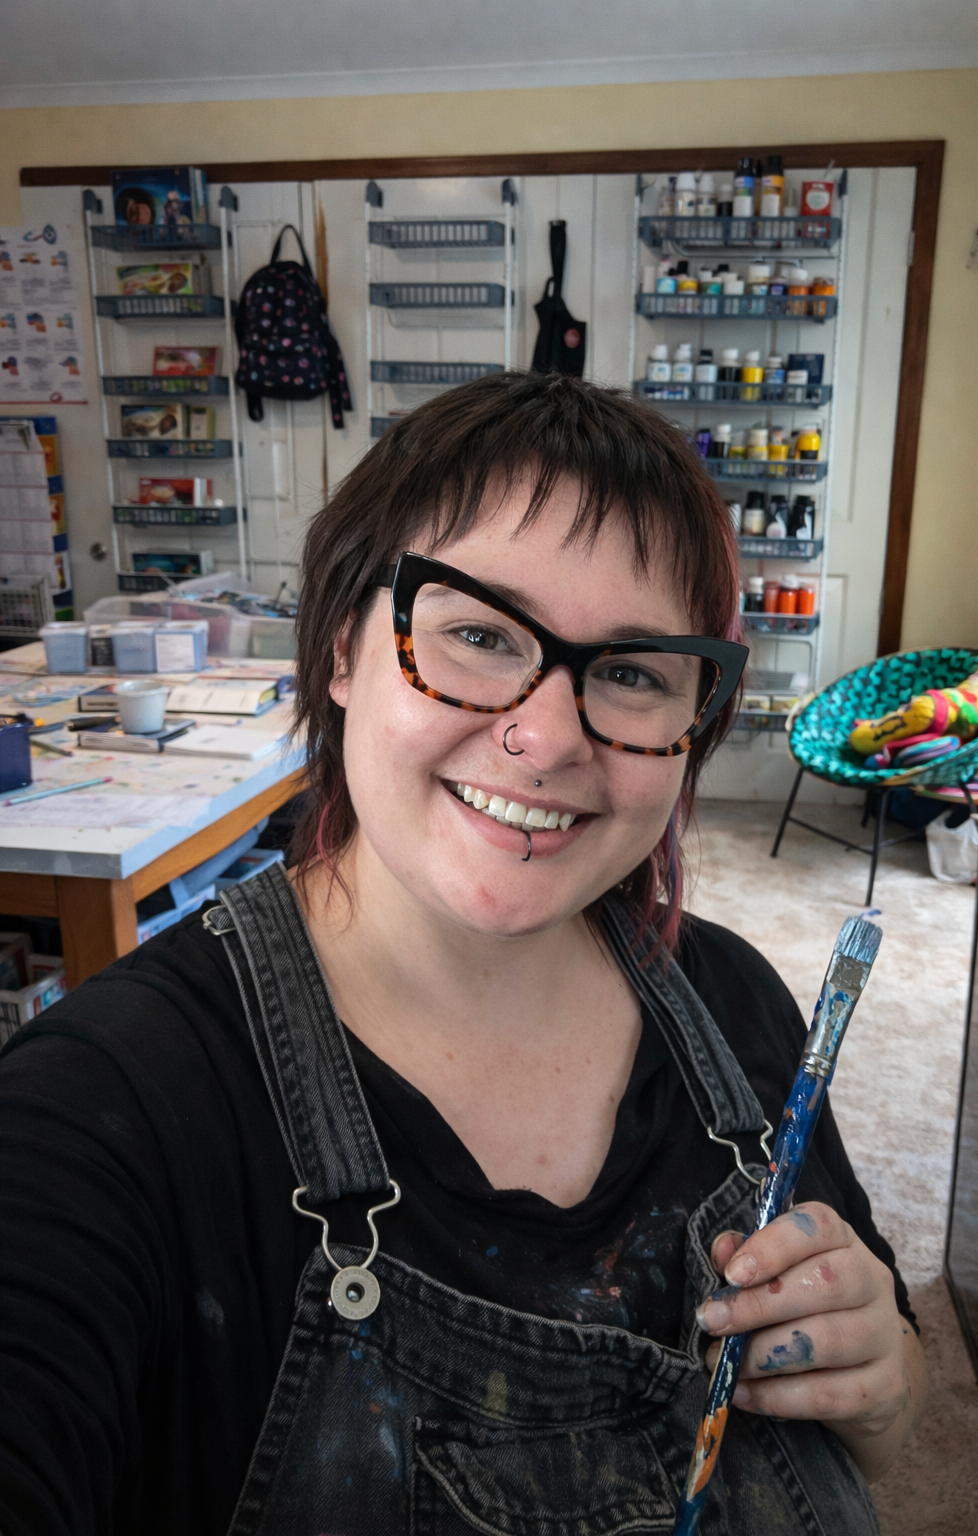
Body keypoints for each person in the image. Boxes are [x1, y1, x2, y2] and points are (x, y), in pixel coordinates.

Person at [0, 373, 925, 1535]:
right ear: (343, 654)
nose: (542, 739)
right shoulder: (108, 1104)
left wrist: (882, 1386)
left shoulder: (736, 1007)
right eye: (480, 635)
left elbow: (883, 1409)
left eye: (631, 672)